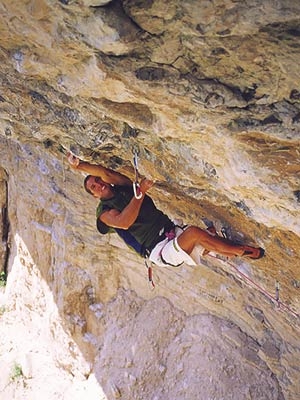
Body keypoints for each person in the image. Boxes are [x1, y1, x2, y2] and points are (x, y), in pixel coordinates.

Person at [67, 153, 264, 267]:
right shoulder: (104, 213)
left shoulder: (123, 187)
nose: (99, 184)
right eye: (93, 187)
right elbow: (124, 222)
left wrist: (79, 166)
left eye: (98, 181)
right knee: (195, 233)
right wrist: (141, 192)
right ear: (94, 196)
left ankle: (210, 247)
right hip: (158, 250)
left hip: (170, 232)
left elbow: (105, 172)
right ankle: (241, 251)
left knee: (205, 236)